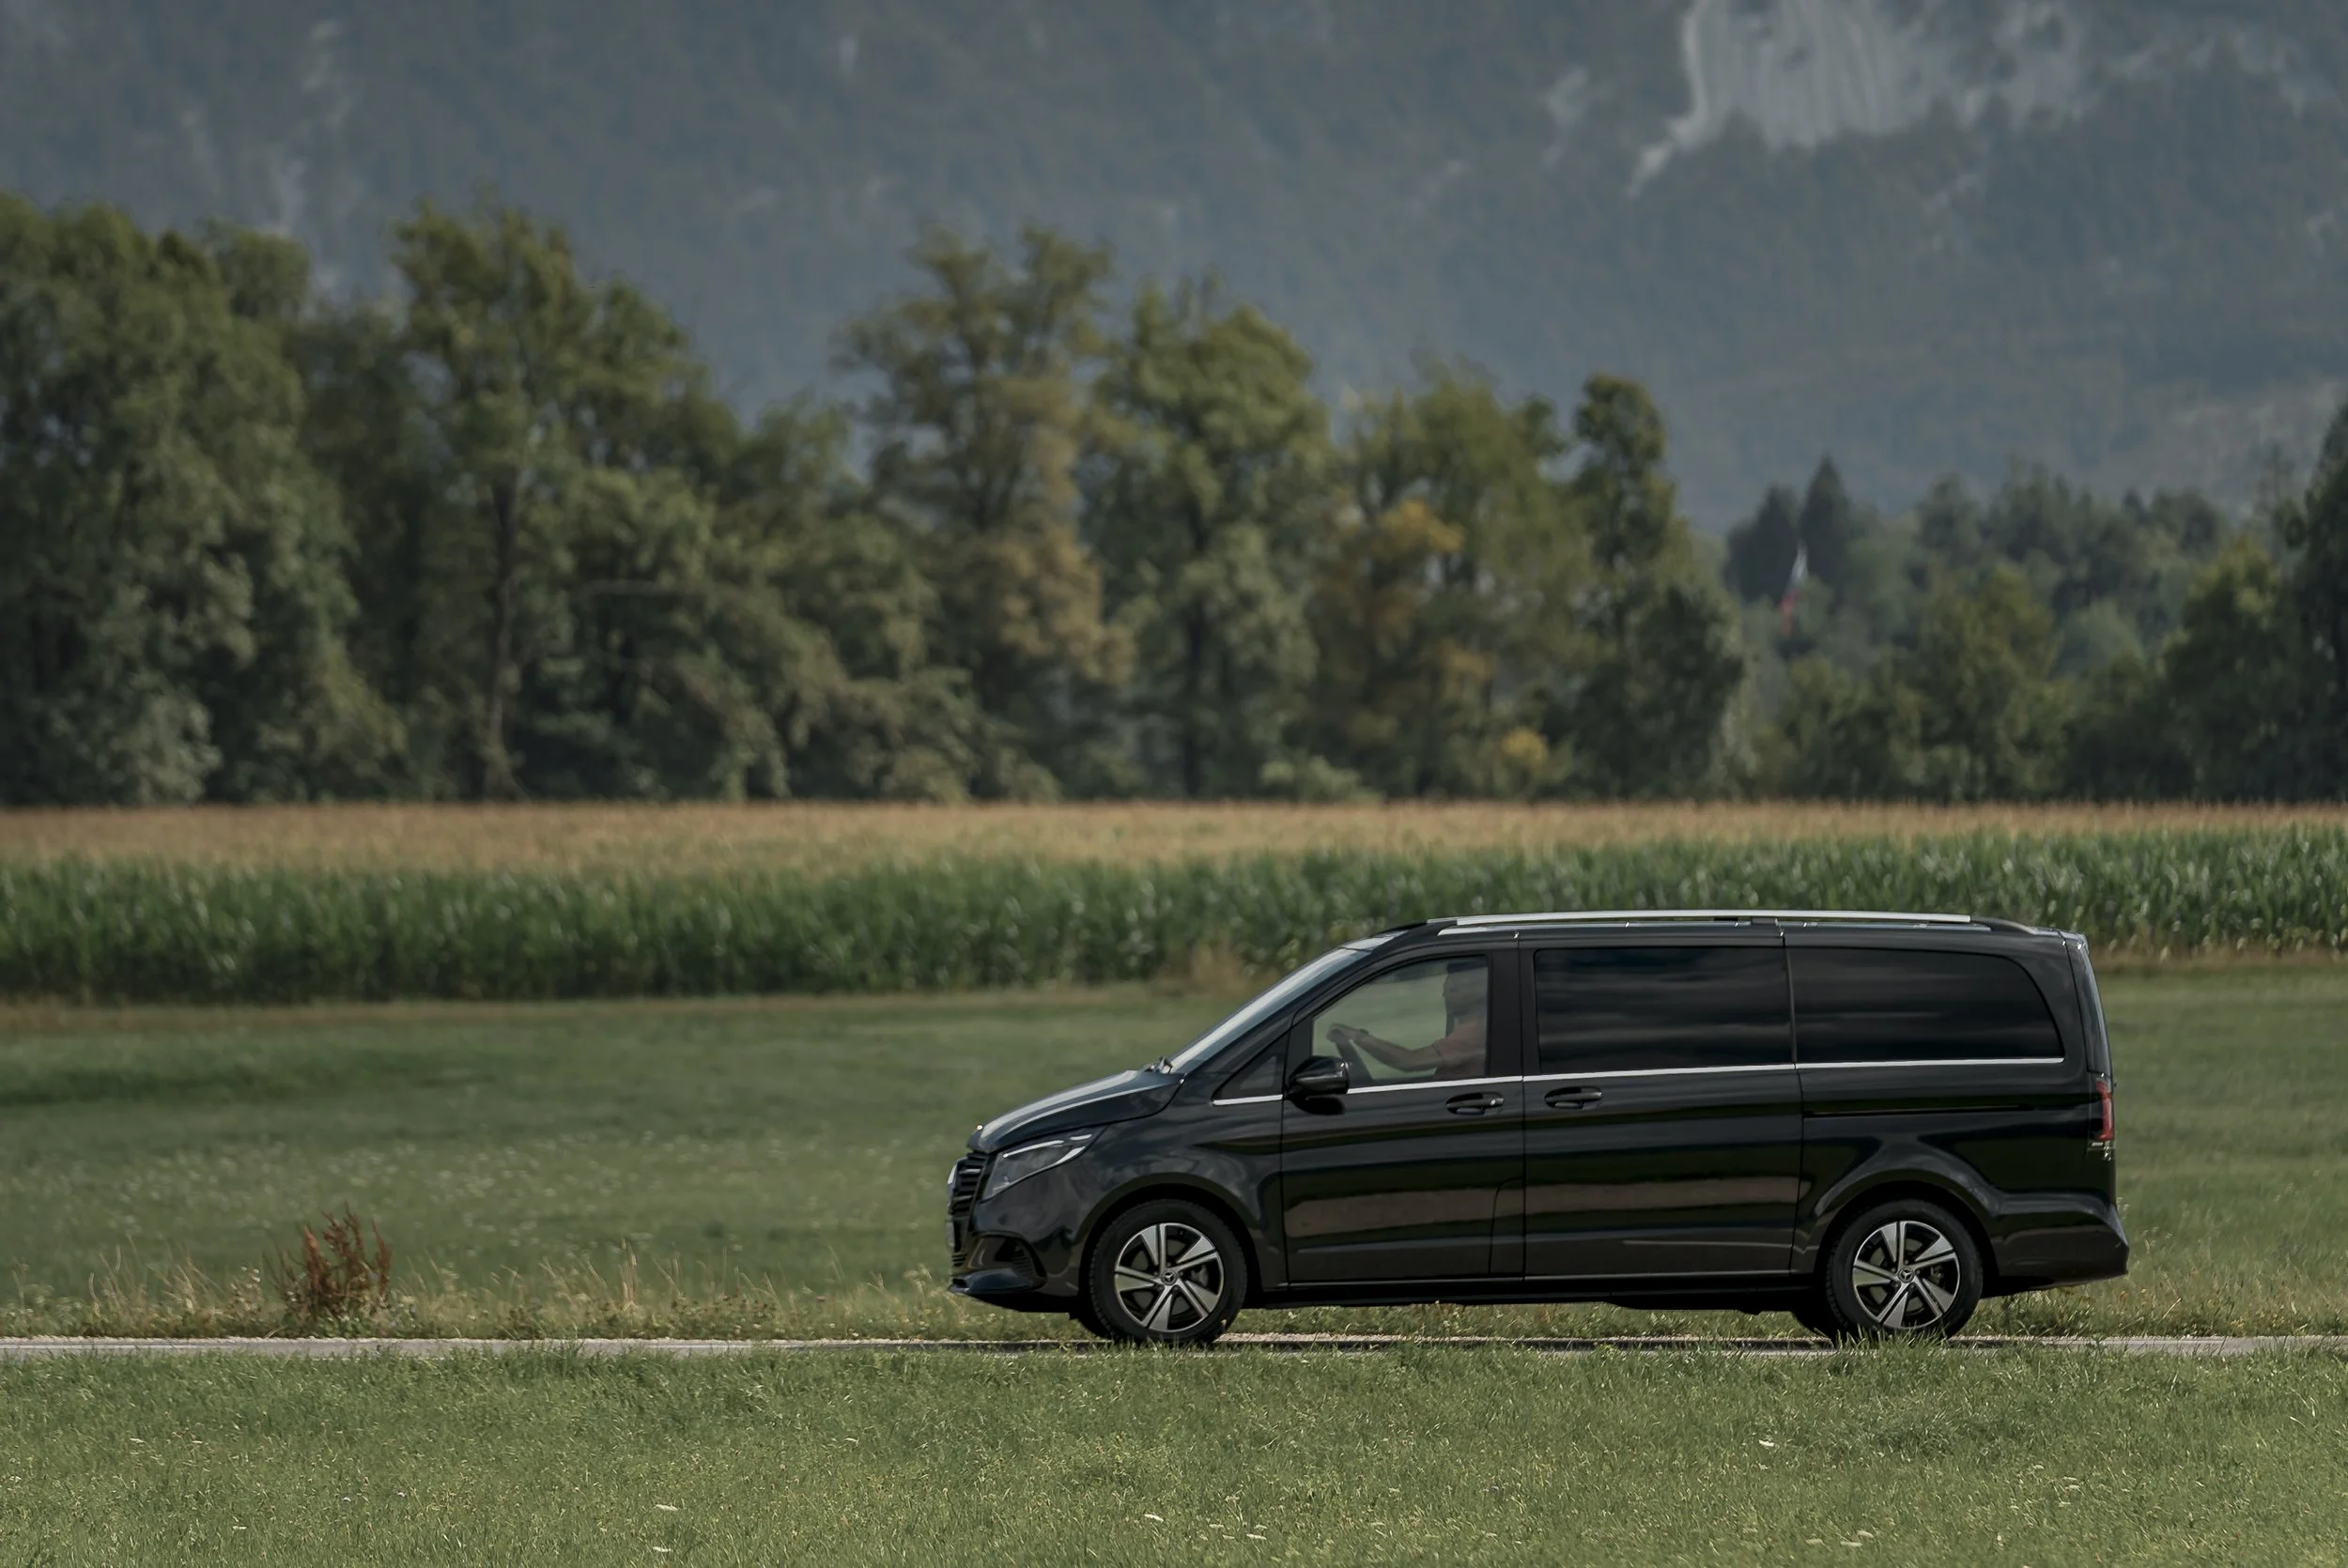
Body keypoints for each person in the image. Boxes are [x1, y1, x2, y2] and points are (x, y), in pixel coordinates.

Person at [1325, 961, 1488, 1081]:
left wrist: (1356, 1036)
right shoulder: (1473, 1030)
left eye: (1454, 989)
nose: (1445, 996)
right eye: (1445, 989)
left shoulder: (1472, 1033)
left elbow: (1409, 1061)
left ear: (1478, 992)